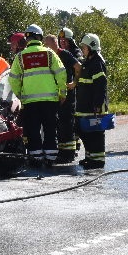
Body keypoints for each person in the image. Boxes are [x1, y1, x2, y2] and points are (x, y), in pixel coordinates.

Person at [9, 24, 67, 166]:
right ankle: (51, 158)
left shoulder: (20, 56)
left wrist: (20, 95)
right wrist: (62, 93)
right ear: (40, 37)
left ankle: (36, 158)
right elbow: (61, 73)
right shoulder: (49, 53)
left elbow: (13, 79)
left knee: (34, 131)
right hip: (50, 100)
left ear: (27, 39)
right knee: (50, 130)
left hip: (30, 102)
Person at [44, 34, 82, 163]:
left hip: (68, 95)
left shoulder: (65, 54)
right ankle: (62, 151)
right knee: (59, 124)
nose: (46, 48)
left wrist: (74, 83)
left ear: (55, 44)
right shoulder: (49, 57)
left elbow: (78, 67)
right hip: (55, 95)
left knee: (67, 123)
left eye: (47, 45)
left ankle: (69, 153)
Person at [75, 33, 108, 169]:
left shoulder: (97, 62)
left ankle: (98, 160)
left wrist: (96, 104)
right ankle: (90, 157)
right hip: (84, 105)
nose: (82, 49)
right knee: (84, 131)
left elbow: (101, 85)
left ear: (91, 48)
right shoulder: (89, 61)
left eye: (84, 47)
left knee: (95, 134)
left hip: (93, 106)